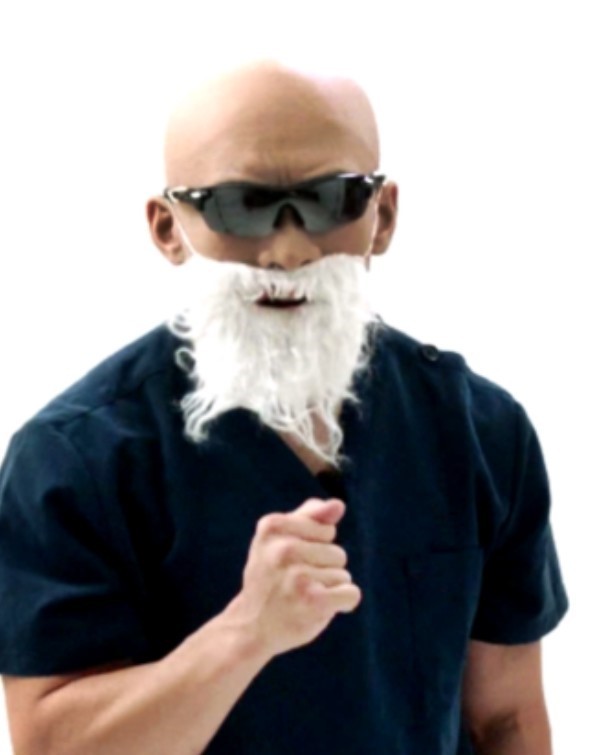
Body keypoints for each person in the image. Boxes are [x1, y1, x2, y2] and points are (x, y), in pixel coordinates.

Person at [0, 60, 568, 755]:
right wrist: (246, 632)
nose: (290, 250)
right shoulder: (74, 460)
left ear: (383, 217)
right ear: (169, 228)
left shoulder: (479, 432)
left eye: (332, 200)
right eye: (241, 205)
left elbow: (504, 719)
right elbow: (51, 745)